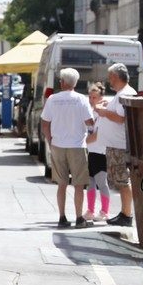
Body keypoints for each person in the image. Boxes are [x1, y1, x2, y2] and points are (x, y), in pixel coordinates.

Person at [40, 67, 95, 228]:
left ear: (63, 82)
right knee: (79, 184)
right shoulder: (81, 99)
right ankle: (79, 218)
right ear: (75, 82)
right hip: (77, 145)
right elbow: (90, 122)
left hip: (58, 145)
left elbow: (45, 124)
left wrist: (50, 141)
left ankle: (62, 217)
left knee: (61, 184)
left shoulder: (52, 99)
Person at [95, 63, 137, 227]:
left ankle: (127, 215)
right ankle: (124, 213)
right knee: (120, 181)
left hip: (119, 146)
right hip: (115, 145)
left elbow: (120, 118)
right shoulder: (121, 93)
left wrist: (104, 112)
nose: (109, 81)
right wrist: (107, 107)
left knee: (122, 180)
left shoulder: (125, 93)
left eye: (110, 77)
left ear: (116, 77)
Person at [83, 83, 112, 223]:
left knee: (102, 182)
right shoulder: (91, 111)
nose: (91, 99)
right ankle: (90, 210)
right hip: (91, 151)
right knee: (90, 182)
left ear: (101, 97)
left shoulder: (103, 112)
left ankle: (105, 211)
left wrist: (82, 142)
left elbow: (97, 135)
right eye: (90, 96)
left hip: (100, 151)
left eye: (94, 97)